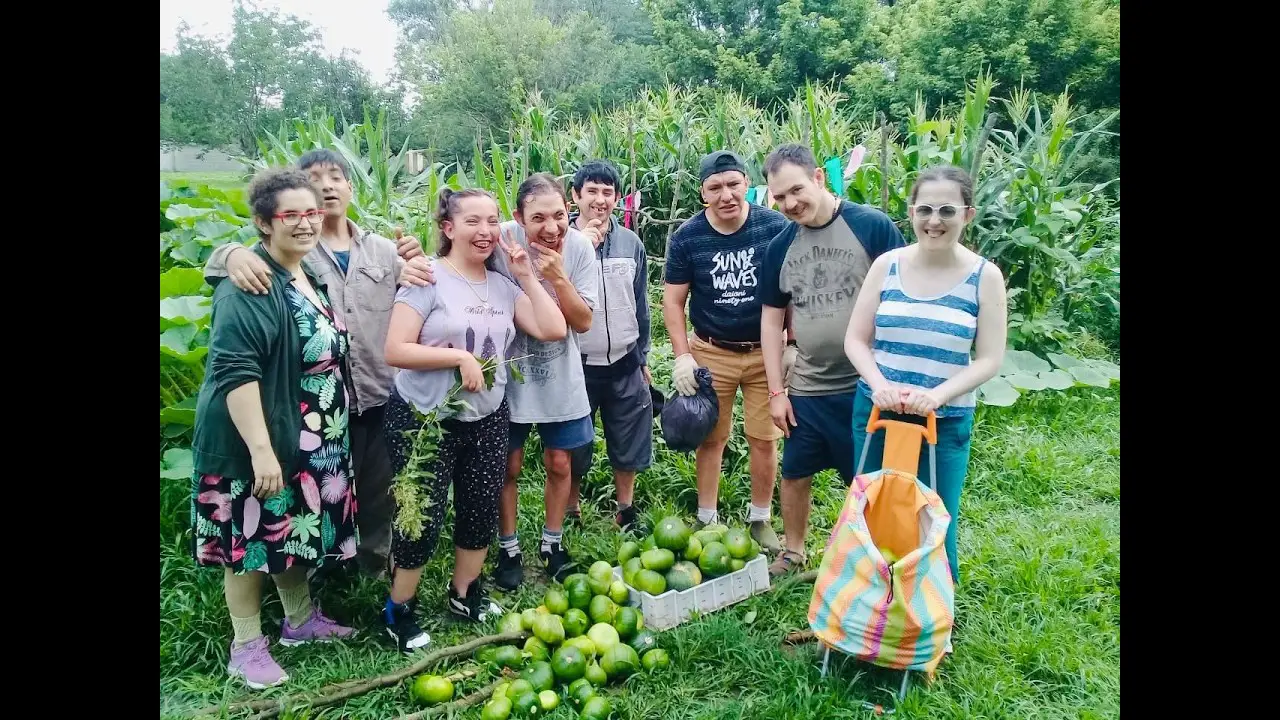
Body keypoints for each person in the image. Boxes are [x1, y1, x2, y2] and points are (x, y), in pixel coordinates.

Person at [203, 149, 424, 580]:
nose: (326, 186)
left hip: (378, 394)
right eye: (314, 178)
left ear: (351, 187)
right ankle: (317, 572)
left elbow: (422, 290)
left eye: (335, 176)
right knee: (315, 492)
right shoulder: (295, 247)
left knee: (377, 491)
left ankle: (370, 568)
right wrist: (229, 254)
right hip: (315, 409)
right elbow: (231, 267)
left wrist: (420, 260)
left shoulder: (383, 250)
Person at [190, 167, 358, 690]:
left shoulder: (304, 273)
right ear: (264, 223)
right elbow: (235, 371)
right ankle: (245, 646)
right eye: (291, 215)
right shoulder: (250, 284)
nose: (306, 223)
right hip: (260, 437)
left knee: (289, 528)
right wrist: (261, 451)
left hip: (308, 436)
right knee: (250, 541)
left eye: (312, 212)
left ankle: (299, 620)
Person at [380, 188, 568, 653]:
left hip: (486, 416)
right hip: (424, 418)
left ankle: (464, 594)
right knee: (420, 517)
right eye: (472, 222)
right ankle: (399, 609)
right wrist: (460, 357)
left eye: (491, 222)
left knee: (480, 508)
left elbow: (553, 328)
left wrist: (524, 274)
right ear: (448, 228)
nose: (485, 232)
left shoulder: (503, 286)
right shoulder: (426, 278)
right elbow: (395, 349)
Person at [398, 173, 597, 588]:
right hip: (501, 379)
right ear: (518, 219)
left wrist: (556, 277)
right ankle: (508, 548)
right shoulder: (496, 238)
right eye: (538, 218)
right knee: (508, 464)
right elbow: (452, 262)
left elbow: (579, 323)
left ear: (569, 211)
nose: (551, 227)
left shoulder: (578, 248)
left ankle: (552, 543)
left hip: (558, 370)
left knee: (560, 461)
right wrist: (410, 261)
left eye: (559, 216)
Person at [843, 165, 1008, 585]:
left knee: (934, 516)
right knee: (869, 510)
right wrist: (879, 386)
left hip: (944, 419)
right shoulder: (887, 265)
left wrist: (937, 395)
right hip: (878, 411)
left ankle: (932, 609)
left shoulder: (984, 277)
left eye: (947, 211)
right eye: (925, 210)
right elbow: (856, 340)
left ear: (968, 215)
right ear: (912, 212)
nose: (935, 221)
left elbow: (989, 358)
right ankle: (866, 601)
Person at [758, 144, 905, 578]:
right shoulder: (780, 246)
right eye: (779, 197)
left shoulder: (871, 226)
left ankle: (873, 555)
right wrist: (776, 391)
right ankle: (794, 551)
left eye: (796, 190)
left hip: (867, 385)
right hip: (808, 385)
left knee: (868, 476)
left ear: (819, 177)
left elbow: (902, 295)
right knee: (795, 470)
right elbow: (770, 322)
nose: (790, 204)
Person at [662, 150, 789, 549]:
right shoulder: (688, 237)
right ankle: (706, 517)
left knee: (764, 438)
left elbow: (793, 290)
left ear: (747, 184)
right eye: (715, 187)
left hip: (765, 352)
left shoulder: (775, 227)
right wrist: (682, 355)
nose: (726, 195)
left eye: (733, 184)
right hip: (712, 351)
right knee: (711, 437)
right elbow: (672, 302)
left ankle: (761, 517)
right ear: (703, 193)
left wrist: (792, 343)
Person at [564, 160, 653, 534]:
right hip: (576, 363)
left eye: (607, 192)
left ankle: (626, 509)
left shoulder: (631, 243)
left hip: (625, 359)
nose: (600, 200)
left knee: (628, 436)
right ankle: (570, 509)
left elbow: (640, 303)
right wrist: (581, 247)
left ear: (617, 198)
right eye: (592, 191)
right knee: (574, 441)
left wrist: (644, 356)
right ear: (576, 196)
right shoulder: (562, 243)